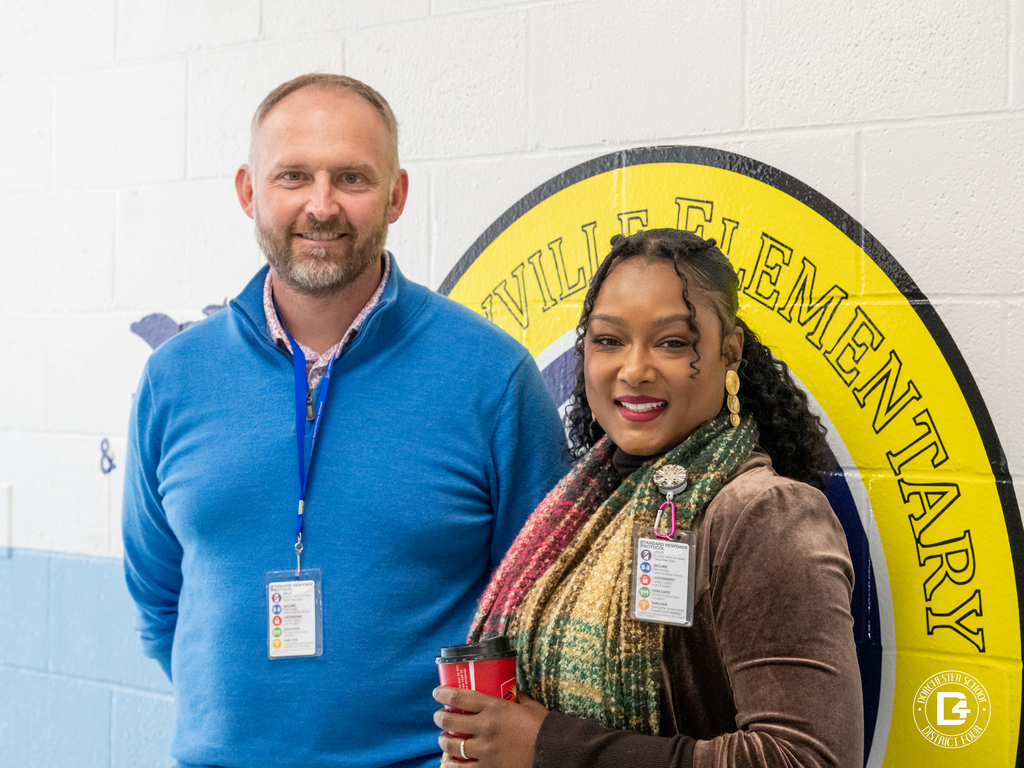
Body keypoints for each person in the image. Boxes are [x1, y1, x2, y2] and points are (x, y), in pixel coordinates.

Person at [121, 73, 569, 768]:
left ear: (396, 195)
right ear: (248, 191)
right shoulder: (174, 379)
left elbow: (546, 613)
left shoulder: (491, 377)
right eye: (293, 176)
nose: (321, 206)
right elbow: (157, 594)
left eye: (352, 178)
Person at [433, 228, 864, 767]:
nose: (634, 370)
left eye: (673, 342)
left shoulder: (763, 515)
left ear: (730, 354)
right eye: (609, 340)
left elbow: (810, 759)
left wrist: (548, 747)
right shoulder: (584, 510)